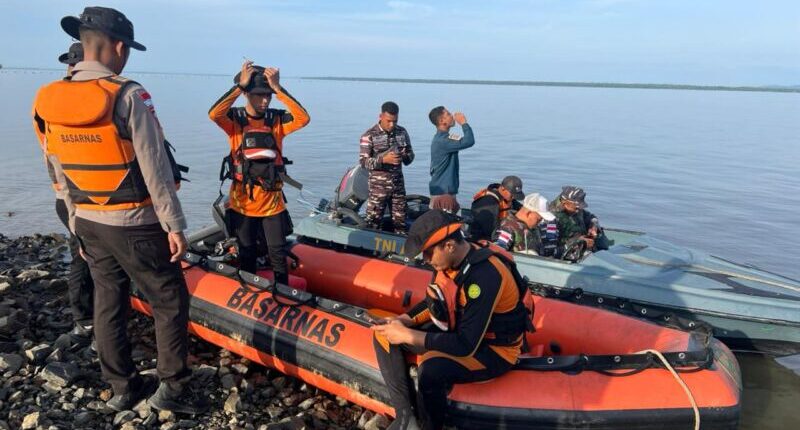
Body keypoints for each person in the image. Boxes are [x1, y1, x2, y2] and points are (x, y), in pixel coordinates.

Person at [32, 7, 205, 414]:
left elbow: (56, 168)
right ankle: (173, 389)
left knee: (108, 298)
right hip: (136, 223)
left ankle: (122, 386)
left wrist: (75, 224)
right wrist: (175, 225)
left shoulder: (48, 98)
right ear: (119, 47)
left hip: (88, 220)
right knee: (169, 300)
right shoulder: (128, 94)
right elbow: (155, 167)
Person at [372, 210, 531, 430]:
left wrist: (409, 335)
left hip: (494, 350)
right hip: (462, 330)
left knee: (430, 370)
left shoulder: (485, 276)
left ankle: (431, 426)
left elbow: (466, 345)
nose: (425, 260)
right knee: (383, 334)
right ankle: (405, 418)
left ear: (449, 245)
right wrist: (403, 320)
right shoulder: (447, 263)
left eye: (428, 254)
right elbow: (436, 300)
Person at [209, 60, 310, 283]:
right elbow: (214, 114)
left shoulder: (276, 120)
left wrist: (278, 89)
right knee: (247, 254)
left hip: (272, 203)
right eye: (258, 95)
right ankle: (249, 293)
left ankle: (283, 295)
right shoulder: (235, 120)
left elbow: (303, 118)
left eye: (268, 95)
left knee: (277, 253)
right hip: (242, 203)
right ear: (247, 95)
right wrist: (239, 86)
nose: (265, 100)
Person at [39, 41, 96, 351]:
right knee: (83, 255)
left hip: (74, 194)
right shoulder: (68, 102)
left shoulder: (50, 100)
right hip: (75, 196)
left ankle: (91, 314)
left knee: (88, 254)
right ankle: (84, 318)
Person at [359, 101, 414, 233]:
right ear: (381, 116)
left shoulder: (402, 132)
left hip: (398, 186)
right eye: (389, 121)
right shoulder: (369, 135)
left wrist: (404, 156)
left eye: (395, 121)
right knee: (373, 223)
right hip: (378, 188)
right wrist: (383, 159)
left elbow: (411, 156)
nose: (392, 125)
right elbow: (363, 162)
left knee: (401, 224)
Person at [427, 107, 475, 213]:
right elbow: (469, 141)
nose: (452, 116)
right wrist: (463, 123)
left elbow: (464, 141)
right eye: (448, 114)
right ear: (441, 121)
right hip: (443, 194)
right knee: (444, 224)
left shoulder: (445, 138)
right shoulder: (442, 141)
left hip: (445, 192)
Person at [494, 193, 560, 257]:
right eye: (538, 219)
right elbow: (498, 253)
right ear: (528, 213)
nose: (540, 222)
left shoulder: (534, 228)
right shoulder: (508, 227)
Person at [551, 186, 610, 252]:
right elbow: (551, 242)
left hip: (585, 242)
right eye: (576, 208)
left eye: (579, 208)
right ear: (565, 203)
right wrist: (579, 241)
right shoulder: (550, 217)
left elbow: (591, 217)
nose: (578, 211)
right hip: (569, 250)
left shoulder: (578, 209)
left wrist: (593, 225)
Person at [469, 175, 525, 241]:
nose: (514, 198)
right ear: (502, 189)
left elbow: (522, 210)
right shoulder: (488, 202)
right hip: (483, 238)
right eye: (512, 195)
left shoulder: (508, 198)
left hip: (504, 232)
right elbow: (490, 230)